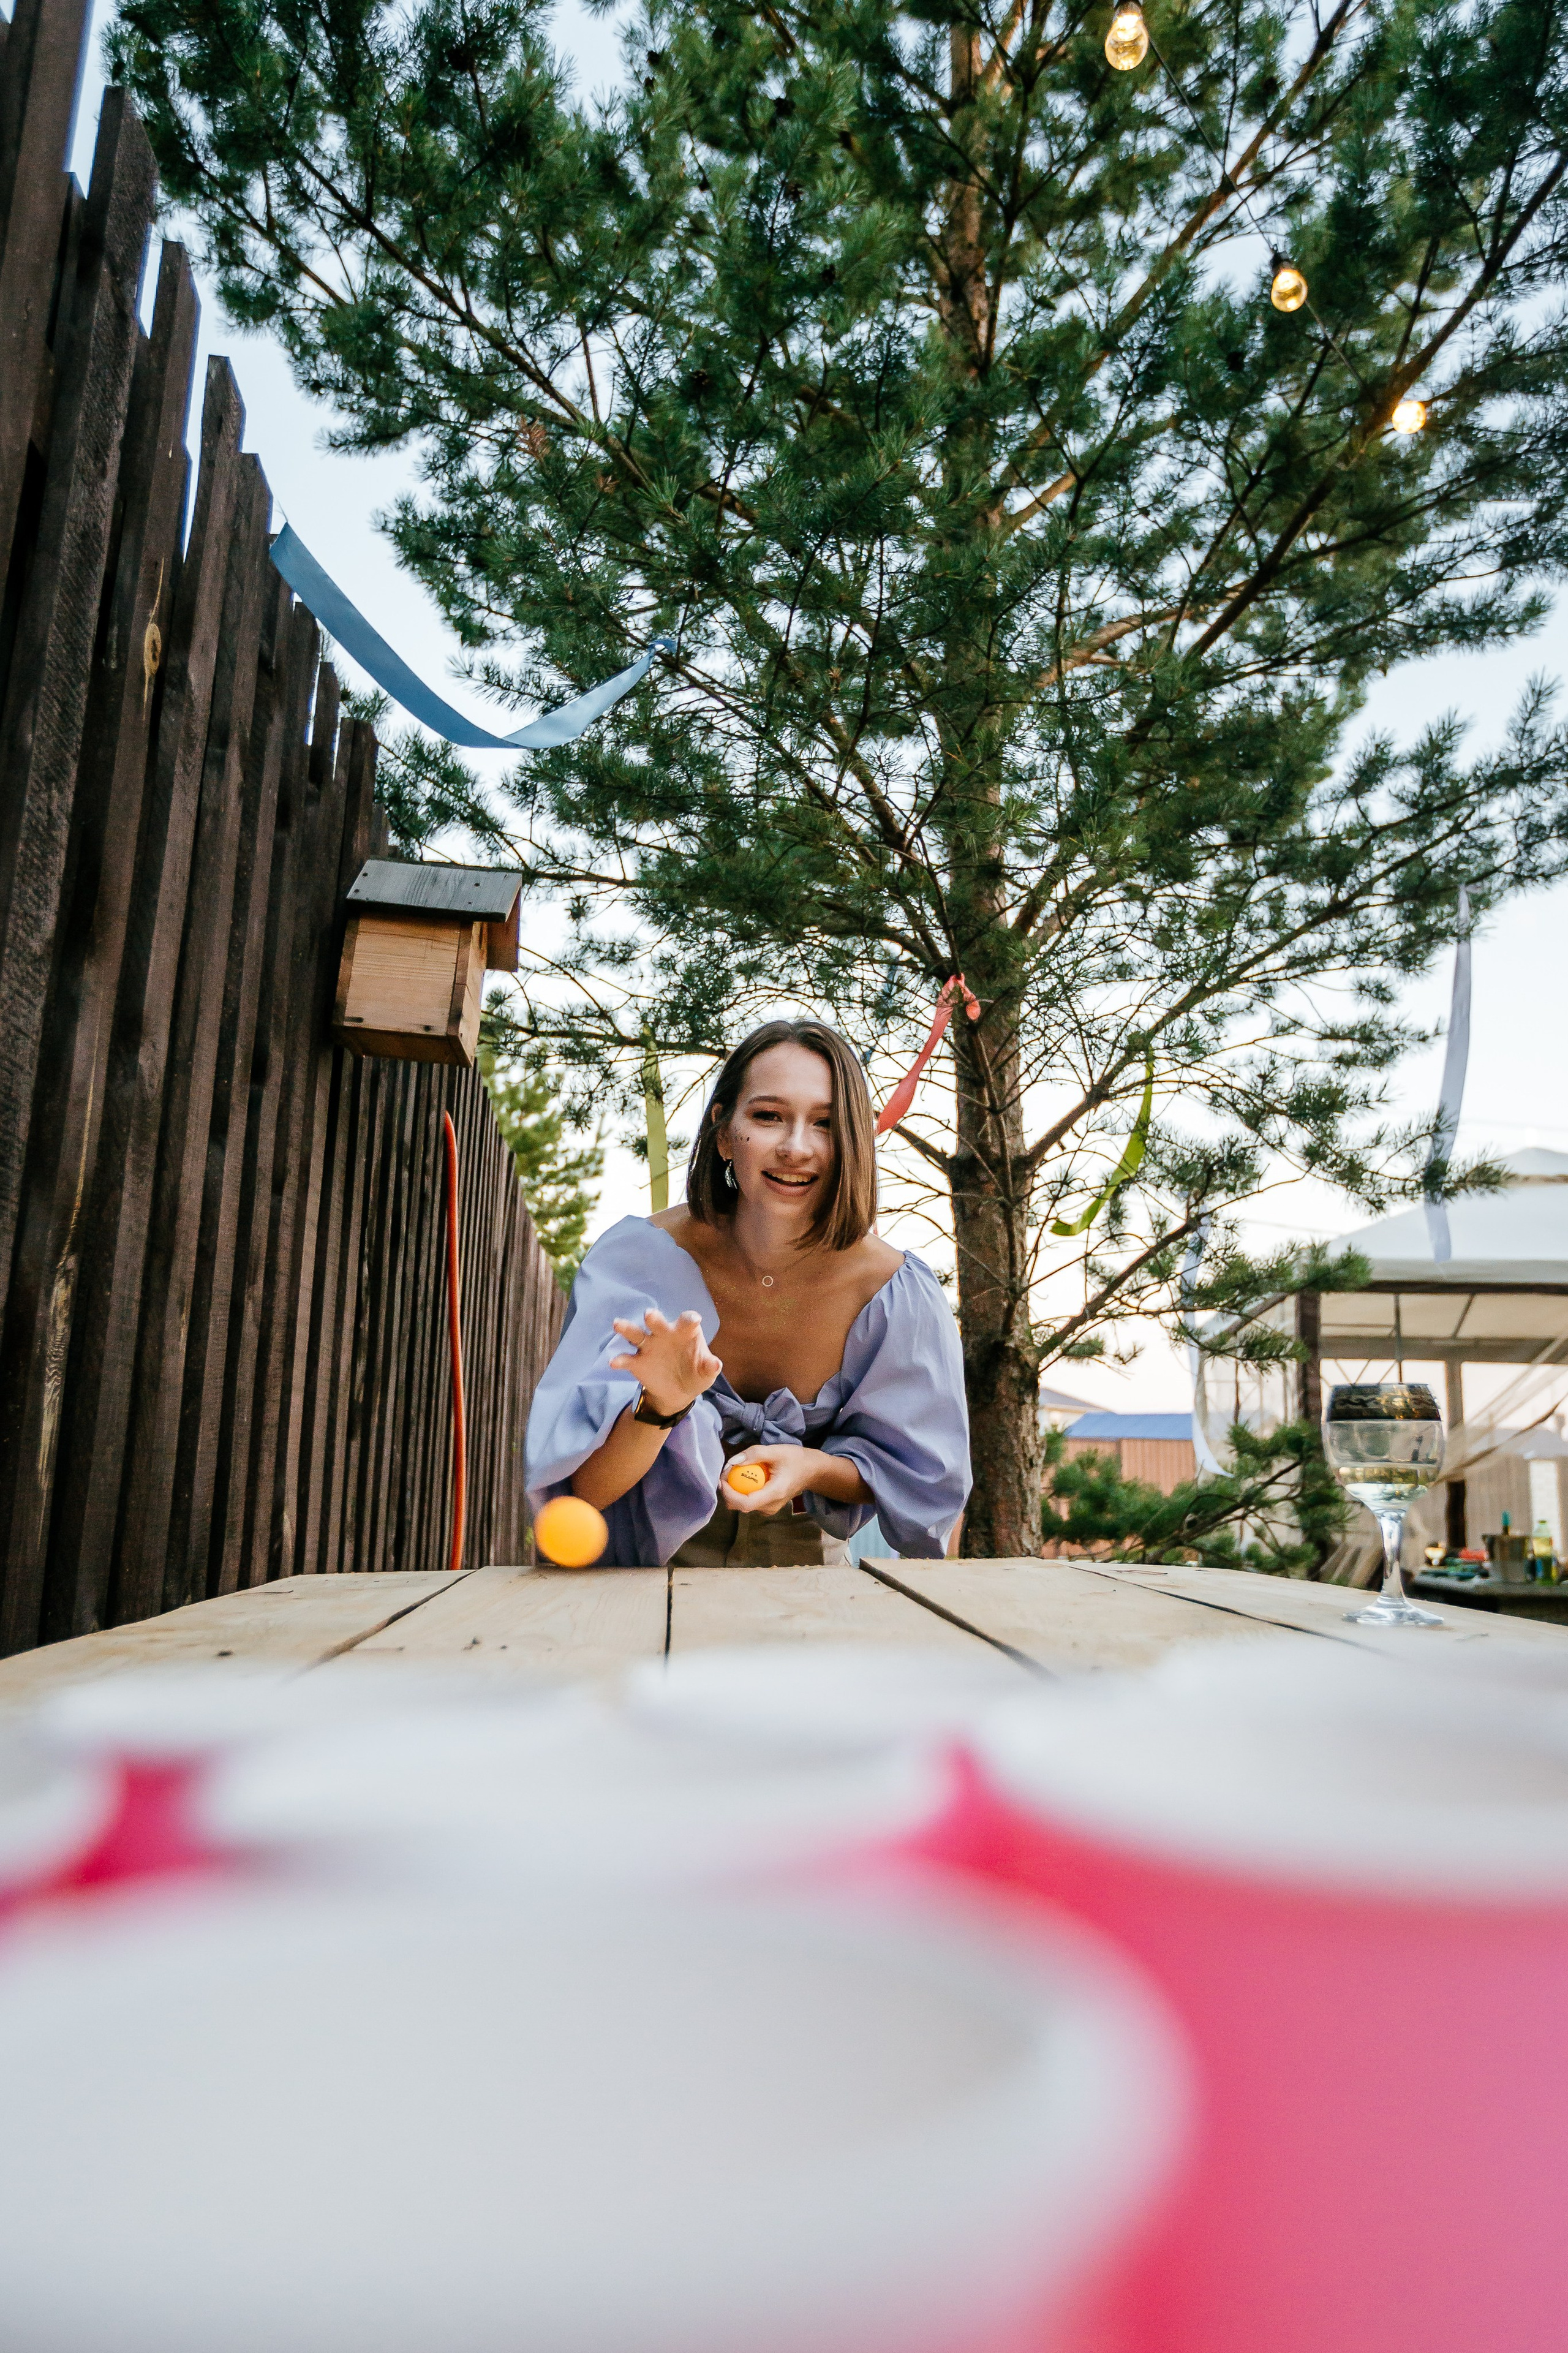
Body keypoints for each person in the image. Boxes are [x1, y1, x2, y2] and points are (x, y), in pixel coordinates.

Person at [526, 1018, 971, 1566]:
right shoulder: (634, 1264)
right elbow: (585, 1495)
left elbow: (926, 1482)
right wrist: (660, 1407)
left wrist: (811, 1467)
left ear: (854, 1139)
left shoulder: (896, 1292)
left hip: (810, 1580)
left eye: (826, 1123)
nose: (795, 1146)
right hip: (643, 1574)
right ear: (722, 1130)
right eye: (768, 1116)